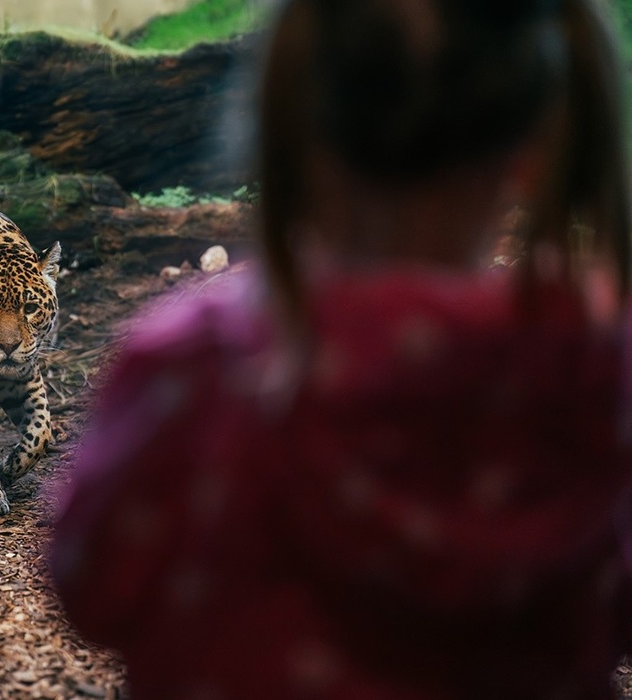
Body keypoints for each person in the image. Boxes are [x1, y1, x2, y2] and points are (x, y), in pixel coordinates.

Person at [49, 1, 632, 698]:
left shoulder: (197, 366)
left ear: (289, 129)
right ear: (535, 153)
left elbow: (89, 584)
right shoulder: (593, 374)